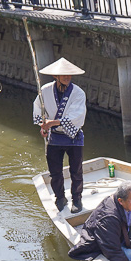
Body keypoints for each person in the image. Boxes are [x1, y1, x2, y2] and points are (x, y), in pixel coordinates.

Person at [32, 57, 87, 213]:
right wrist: (43, 127)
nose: (67, 77)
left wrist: (51, 123)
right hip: (54, 136)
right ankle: (60, 197)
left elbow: (76, 116)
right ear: (55, 76)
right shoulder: (45, 91)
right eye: (63, 75)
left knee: (76, 171)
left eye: (69, 75)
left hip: (73, 136)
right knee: (55, 172)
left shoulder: (78, 93)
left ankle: (77, 199)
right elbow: (39, 110)